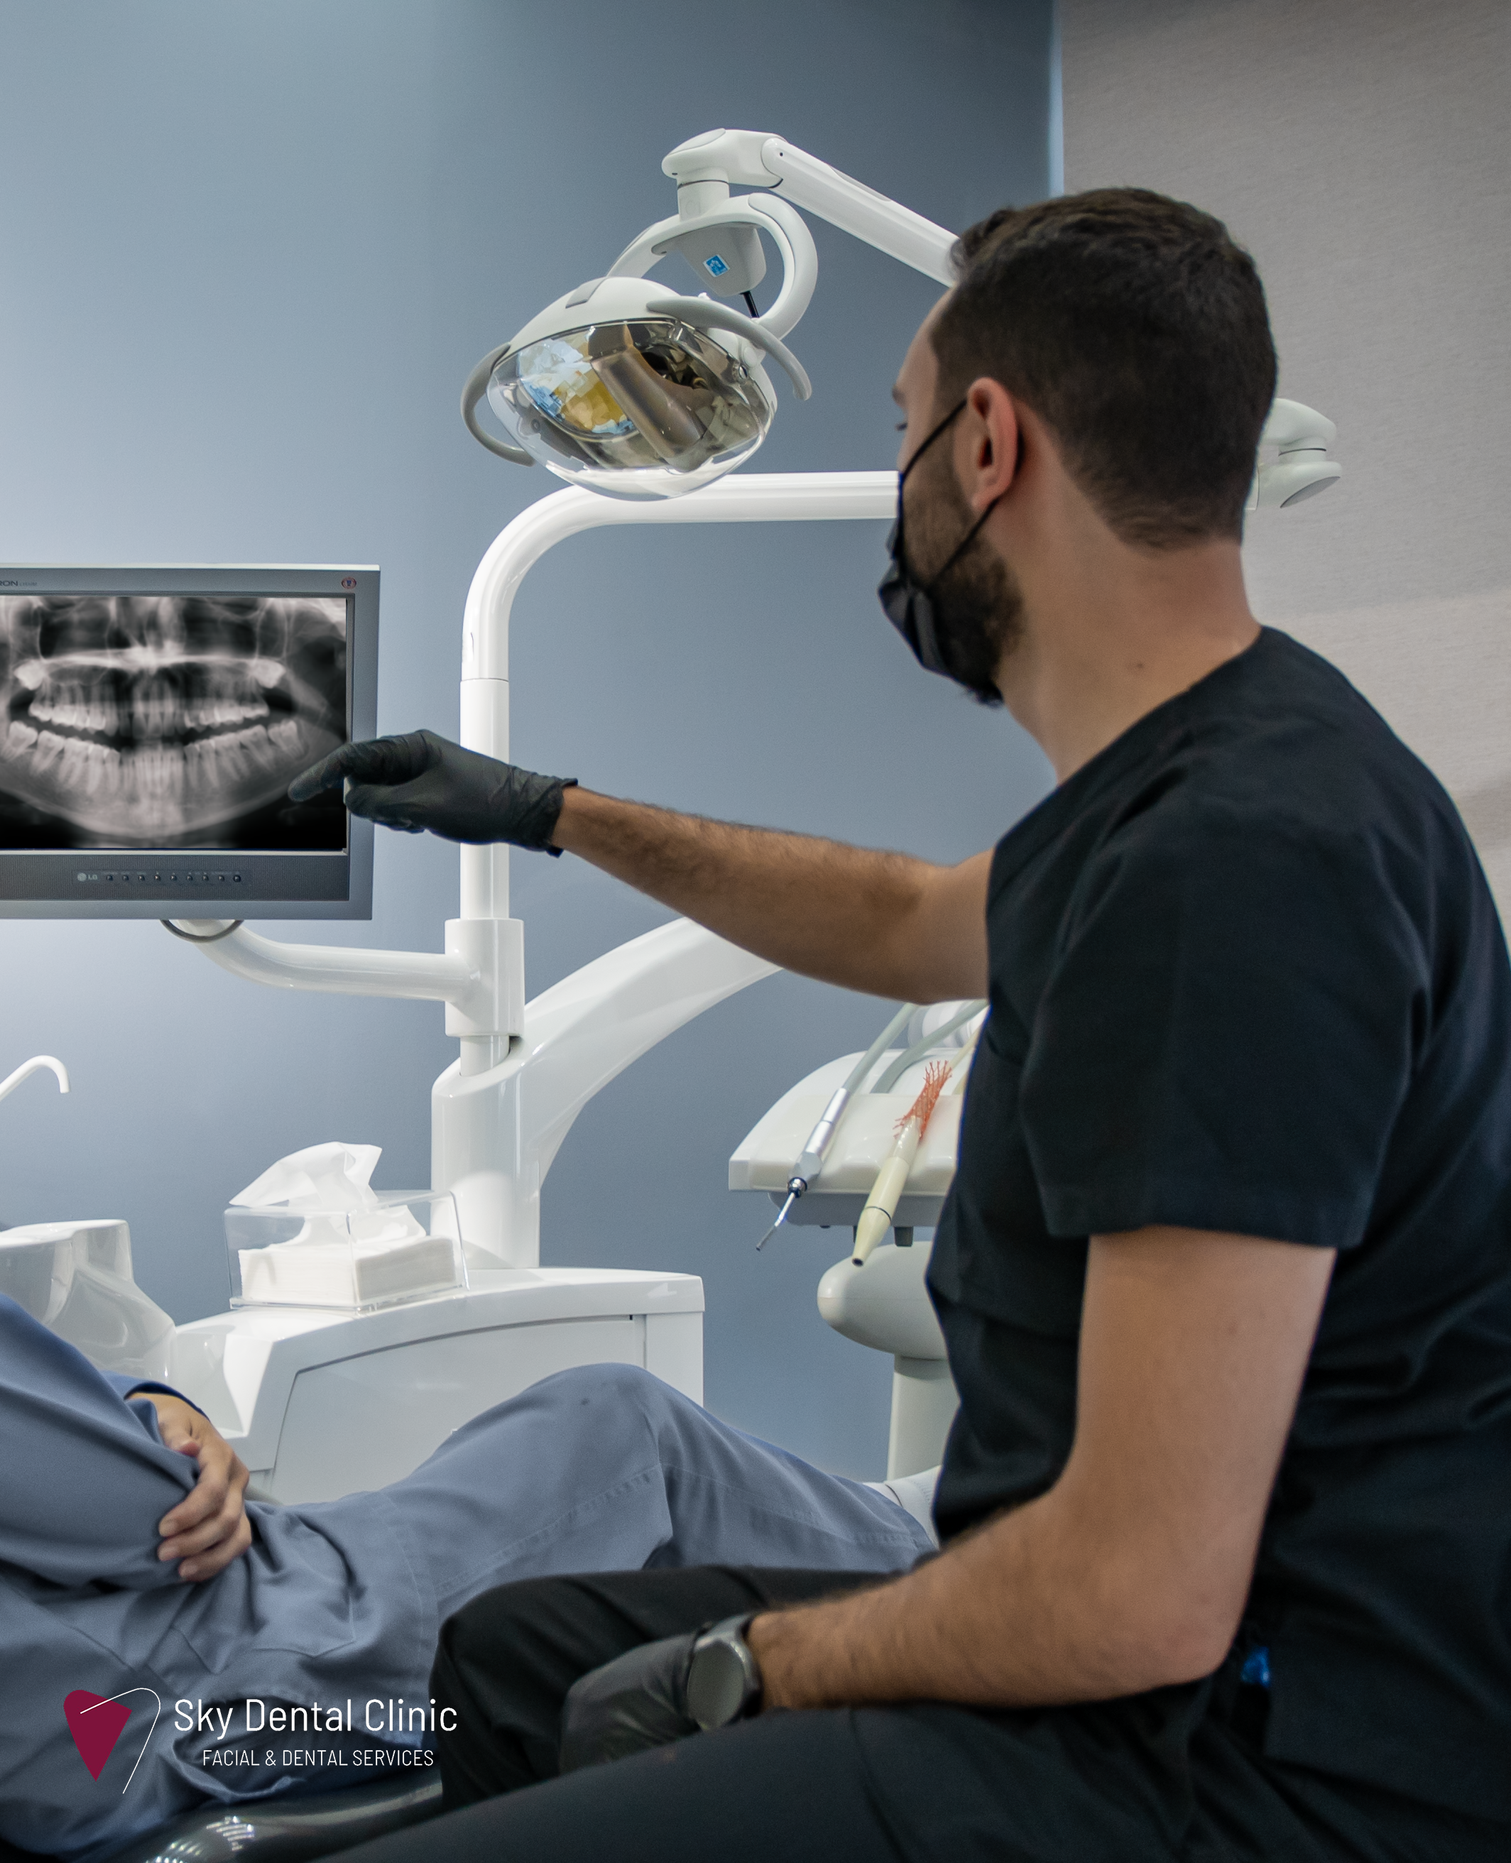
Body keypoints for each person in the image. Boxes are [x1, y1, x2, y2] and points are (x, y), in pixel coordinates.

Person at [291, 189, 1511, 1861]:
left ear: (989, 444)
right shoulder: (1223, 757)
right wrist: (546, 810)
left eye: (901, 432)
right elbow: (911, 919)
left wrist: (755, 1661)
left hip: (1249, 1762)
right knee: (515, 1659)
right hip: (1172, 1670)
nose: (898, 488)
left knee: (624, 1707)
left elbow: (1141, 1591)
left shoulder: (1233, 865)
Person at [0, 882, 932, 1862]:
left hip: (37, 1727)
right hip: (194, 1689)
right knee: (620, 1422)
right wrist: (162, 1416)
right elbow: (153, 1515)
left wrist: (155, 1411)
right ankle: (969, 1573)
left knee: (537, 1445)